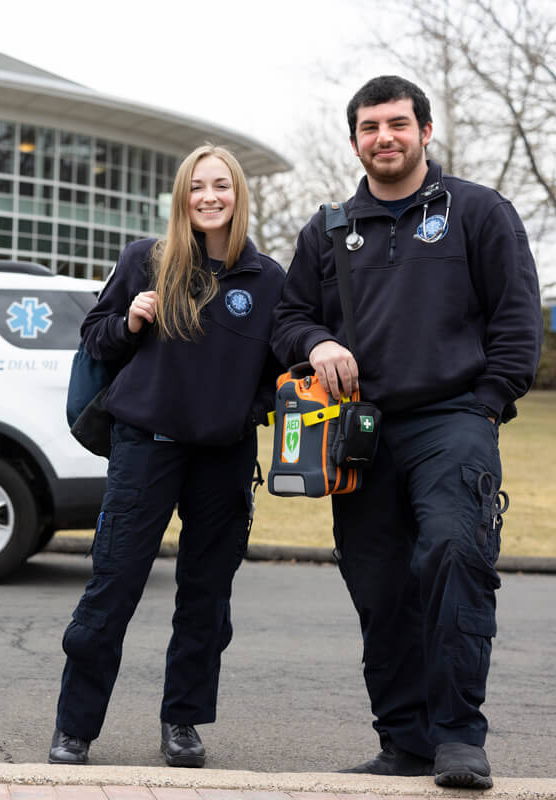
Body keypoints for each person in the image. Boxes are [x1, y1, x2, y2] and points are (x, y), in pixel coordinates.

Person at [271, 76, 542, 790]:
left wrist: (486, 403)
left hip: (453, 421)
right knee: (379, 583)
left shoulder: (479, 213)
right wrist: (314, 343)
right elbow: (287, 319)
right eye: (369, 127)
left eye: (397, 123)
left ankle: (458, 739)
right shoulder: (329, 228)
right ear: (355, 139)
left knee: (455, 556)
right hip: (357, 433)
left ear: (425, 131)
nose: (383, 137)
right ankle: (406, 742)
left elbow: (516, 323)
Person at [48, 144, 285, 767]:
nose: (209, 197)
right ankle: (75, 727)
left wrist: (244, 408)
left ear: (238, 195)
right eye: (197, 187)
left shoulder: (267, 280)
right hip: (144, 449)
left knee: (206, 596)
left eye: (222, 186)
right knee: (114, 583)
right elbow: (95, 339)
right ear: (182, 197)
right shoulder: (145, 261)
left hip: (224, 456)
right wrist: (129, 319)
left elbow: (279, 368)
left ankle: (183, 721)